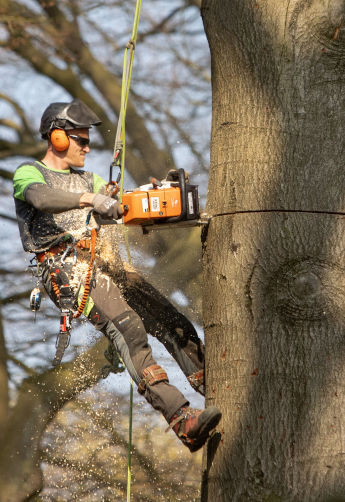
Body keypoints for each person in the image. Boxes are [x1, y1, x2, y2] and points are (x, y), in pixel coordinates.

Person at [12, 98, 220, 452]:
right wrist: (91, 200)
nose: (88, 147)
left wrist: (156, 199)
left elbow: (119, 208)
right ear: (58, 138)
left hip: (105, 263)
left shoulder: (90, 180)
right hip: (67, 270)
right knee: (130, 328)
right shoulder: (30, 173)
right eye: (81, 139)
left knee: (170, 318)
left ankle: (214, 382)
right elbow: (43, 199)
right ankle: (181, 419)